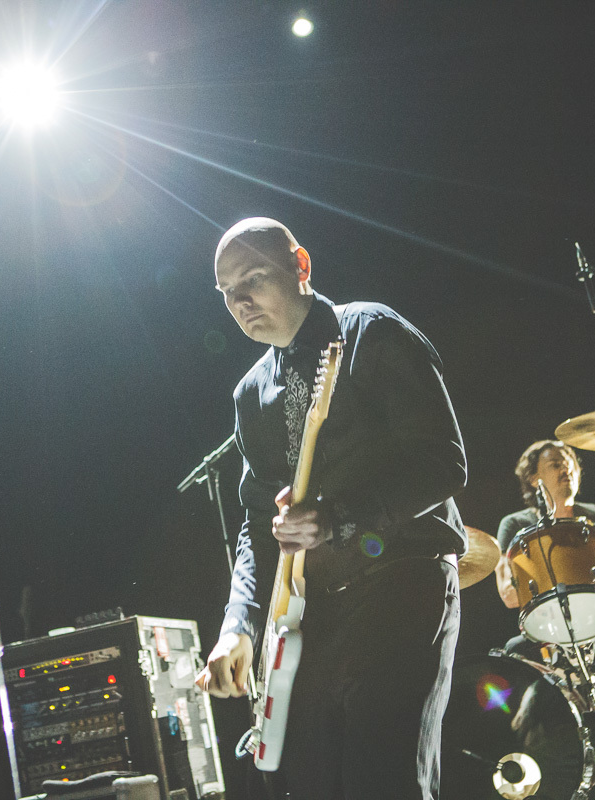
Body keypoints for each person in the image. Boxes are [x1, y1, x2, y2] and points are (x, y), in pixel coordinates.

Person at [195, 217, 467, 800]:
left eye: (254, 278)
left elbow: (444, 463)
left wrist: (339, 517)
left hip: (403, 578)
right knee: (312, 782)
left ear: (302, 266)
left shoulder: (372, 331)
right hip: (314, 614)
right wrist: (237, 626)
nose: (240, 301)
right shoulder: (251, 393)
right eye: (226, 292)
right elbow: (256, 527)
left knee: (384, 778)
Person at [493, 439, 595, 651]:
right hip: (549, 632)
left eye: (570, 463)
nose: (566, 469)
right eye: (555, 464)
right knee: (513, 651)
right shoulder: (515, 525)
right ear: (534, 479)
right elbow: (509, 595)